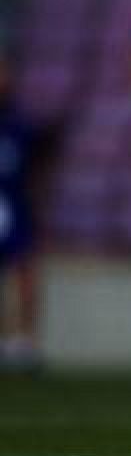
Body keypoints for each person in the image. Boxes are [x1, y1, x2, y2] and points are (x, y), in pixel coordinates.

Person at [0, 58, 42, 371]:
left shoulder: (19, 125)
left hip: (15, 208)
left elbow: (35, 171)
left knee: (25, 273)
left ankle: (24, 341)